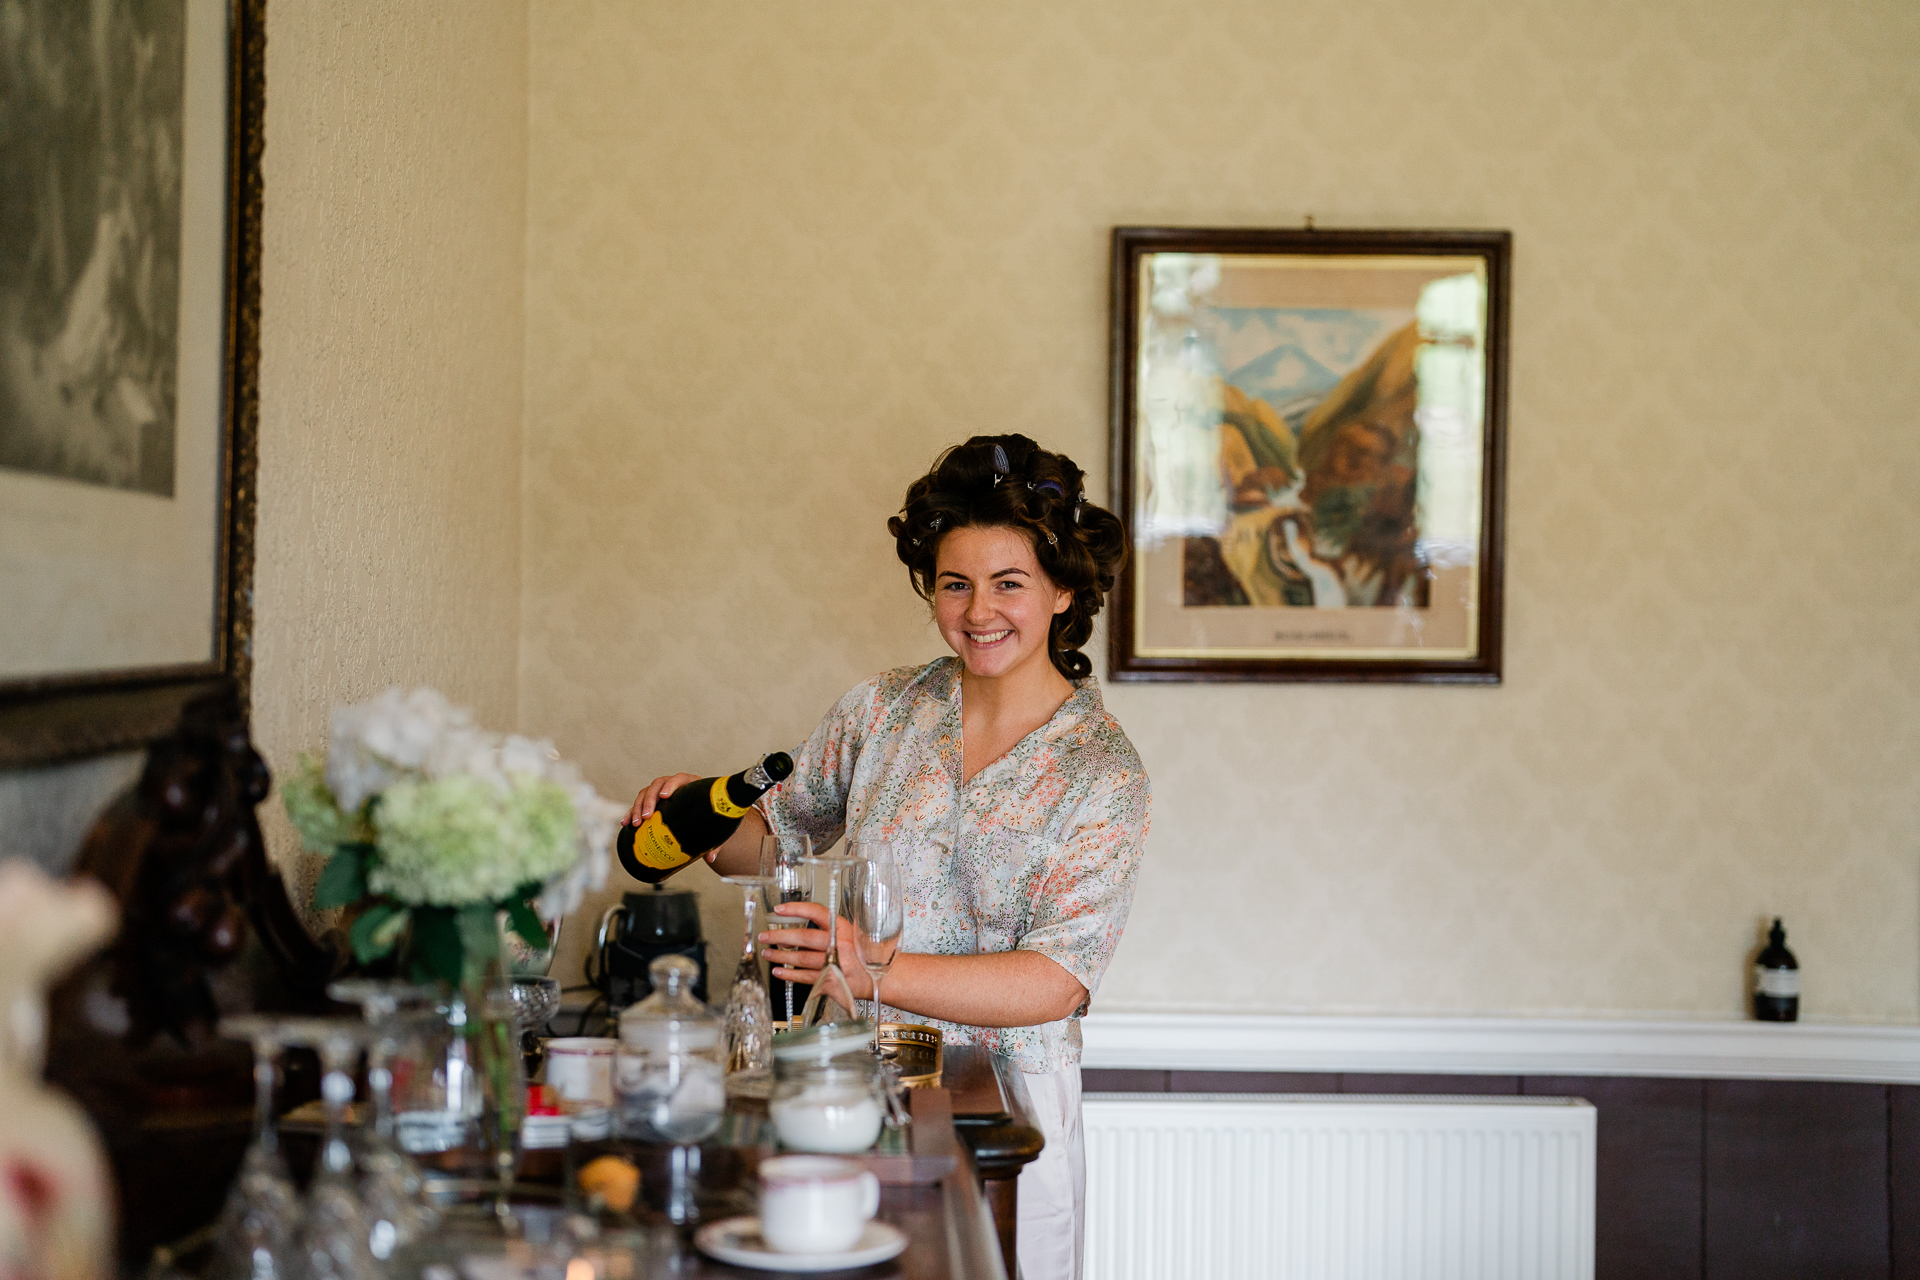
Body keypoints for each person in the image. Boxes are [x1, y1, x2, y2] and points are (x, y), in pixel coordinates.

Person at [629, 434, 1151, 1280]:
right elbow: (776, 848)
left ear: (1062, 591)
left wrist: (872, 967)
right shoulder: (881, 709)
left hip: (1004, 1123)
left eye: (1009, 583)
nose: (979, 611)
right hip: (845, 1088)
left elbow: (1056, 977)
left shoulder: (1101, 769)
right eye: (955, 584)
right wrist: (696, 820)